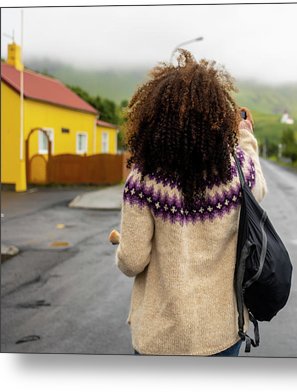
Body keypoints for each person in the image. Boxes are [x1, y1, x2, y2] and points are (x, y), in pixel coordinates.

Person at [111, 49, 267, 356]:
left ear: (154, 119)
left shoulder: (143, 180)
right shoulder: (236, 170)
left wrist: (121, 246)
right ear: (216, 117)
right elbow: (259, 186)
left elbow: (132, 262)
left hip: (160, 340)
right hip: (222, 335)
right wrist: (246, 136)